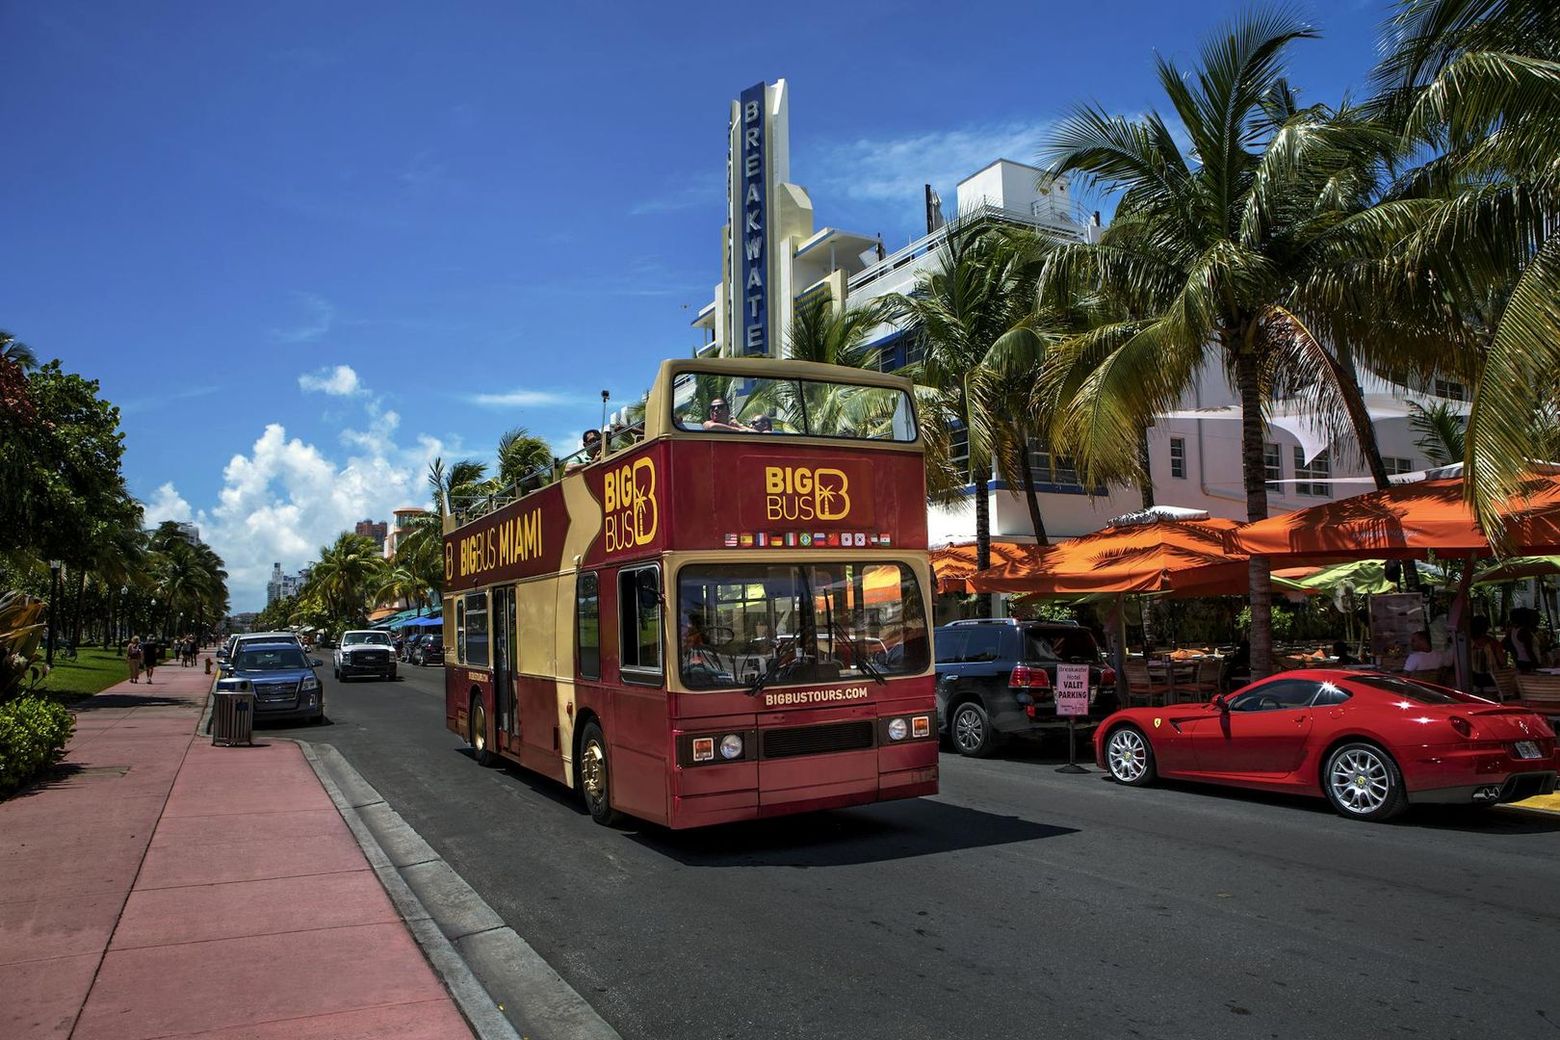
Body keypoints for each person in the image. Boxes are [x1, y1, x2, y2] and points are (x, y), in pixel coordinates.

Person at [1470, 616, 1506, 695]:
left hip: (1473, 676)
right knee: (1491, 700)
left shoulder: (1468, 642)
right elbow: (1502, 661)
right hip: (1491, 677)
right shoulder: (1493, 643)